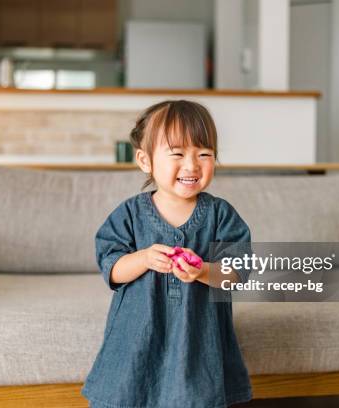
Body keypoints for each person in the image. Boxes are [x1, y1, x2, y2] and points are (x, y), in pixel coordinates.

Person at [81, 100, 253, 408]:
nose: (192, 165)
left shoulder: (220, 214)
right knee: (129, 392)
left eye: (204, 154)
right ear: (145, 161)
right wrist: (144, 258)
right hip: (137, 336)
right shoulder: (131, 214)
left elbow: (236, 273)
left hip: (198, 338)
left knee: (195, 395)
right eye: (177, 154)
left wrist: (202, 271)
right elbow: (112, 268)